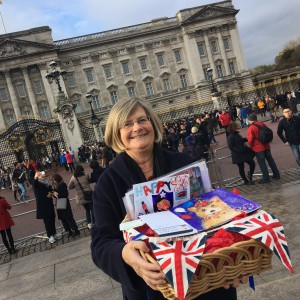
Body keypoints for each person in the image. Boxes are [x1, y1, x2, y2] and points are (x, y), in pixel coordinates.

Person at [91, 97, 245, 300]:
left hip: (205, 281)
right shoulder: (107, 183)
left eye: (142, 120)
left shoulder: (185, 163)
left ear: (152, 123)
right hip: (154, 288)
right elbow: (101, 243)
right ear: (116, 134)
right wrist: (124, 254)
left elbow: (216, 216)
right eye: (127, 124)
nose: (137, 127)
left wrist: (230, 259)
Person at [247, 113, 280, 184]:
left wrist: (251, 146)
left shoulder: (251, 128)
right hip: (266, 145)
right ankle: (276, 174)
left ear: (251, 120)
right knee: (271, 161)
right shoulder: (262, 124)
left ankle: (266, 178)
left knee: (262, 164)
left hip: (258, 148)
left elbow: (250, 140)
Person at [33, 171, 61, 244]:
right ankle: (50, 236)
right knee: (47, 221)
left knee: (52, 219)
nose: (43, 176)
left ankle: (54, 233)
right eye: (41, 175)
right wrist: (36, 177)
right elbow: (34, 184)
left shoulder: (46, 183)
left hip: (49, 203)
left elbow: (50, 191)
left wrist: (53, 193)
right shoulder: (37, 184)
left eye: (43, 174)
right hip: (43, 206)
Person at [50, 173, 80, 238]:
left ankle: (75, 230)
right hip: (59, 202)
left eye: (54, 180)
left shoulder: (62, 184)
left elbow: (65, 194)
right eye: (53, 180)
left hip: (64, 201)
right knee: (63, 219)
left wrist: (57, 194)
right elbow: (56, 195)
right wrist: (53, 194)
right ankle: (69, 231)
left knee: (68, 218)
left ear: (57, 179)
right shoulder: (55, 186)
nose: (54, 181)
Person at [68, 165, 94, 229]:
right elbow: (89, 181)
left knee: (87, 210)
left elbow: (70, 187)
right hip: (89, 194)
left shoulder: (73, 178)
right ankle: (95, 221)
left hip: (81, 196)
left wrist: (76, 186)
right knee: (92, 209)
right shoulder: (86, 175)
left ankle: (89, 223)